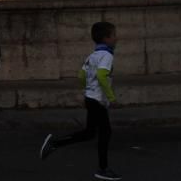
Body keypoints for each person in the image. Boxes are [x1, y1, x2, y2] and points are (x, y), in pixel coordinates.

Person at [40, 22, 121, 181]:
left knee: (89, 133)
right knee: (105, 133)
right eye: (114, 35)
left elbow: (81, 76)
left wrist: (87, 90)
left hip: (90, 98)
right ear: (106, 38)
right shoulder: (107, 56)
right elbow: (102, 76)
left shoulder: (92, 56)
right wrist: (111, 97)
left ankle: (55, 144)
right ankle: (103, 169)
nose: (116, 38)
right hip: (97, 101)